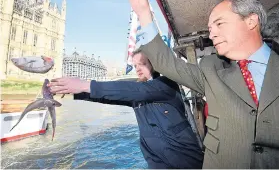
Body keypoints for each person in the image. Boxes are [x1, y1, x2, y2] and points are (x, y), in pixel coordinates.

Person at [126, 0, 279, 169]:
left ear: (251, 21)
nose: (212, 34)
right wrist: (143, 14)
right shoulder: (210, 69)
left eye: (219, 24)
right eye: (209, 29)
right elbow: (165, 63)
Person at [48, 51, 204, 169]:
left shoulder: (166, 84)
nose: (138, 69)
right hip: (157, 161)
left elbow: (135, 90)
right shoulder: (139, 92)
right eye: (135, 65)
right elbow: (112, 96)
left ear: (153, 63)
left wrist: (84, 84)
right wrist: (74, 92)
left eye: (142, 64)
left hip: (185, 159)